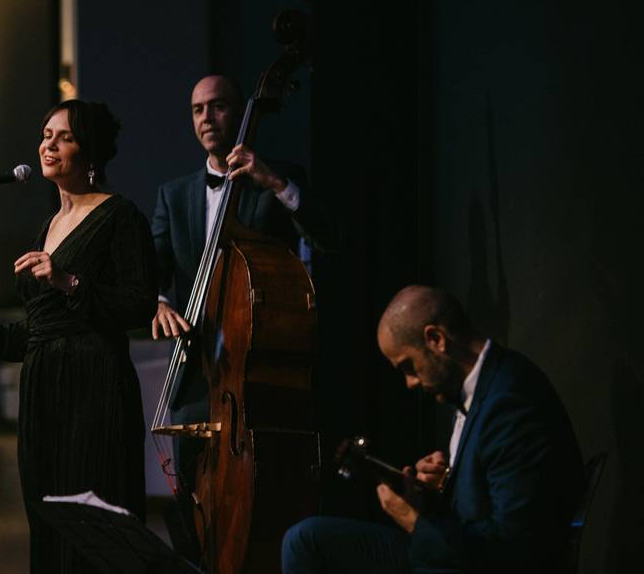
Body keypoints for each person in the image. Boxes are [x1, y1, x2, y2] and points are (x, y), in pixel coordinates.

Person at [0, 100, 158, 573]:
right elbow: (42, 330)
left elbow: (139, 305)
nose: (48, 144)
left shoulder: (120, 216)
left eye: (63, 136)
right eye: (46, 135)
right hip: (44, 390)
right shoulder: (50, 225)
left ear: (92, 152)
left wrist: (69, 282)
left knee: (96, 520)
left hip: (94, 387)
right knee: (50, 520)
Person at [281, 285, 584, 574]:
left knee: (304, 544)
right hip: (458, 553)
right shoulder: (481, 388)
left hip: (475, 564)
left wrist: (413, 520)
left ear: (436, 339)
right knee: (307, 541)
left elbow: (513, 551)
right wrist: (437, 493)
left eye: (409, 367)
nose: (410, 383)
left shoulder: (511, 404)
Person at [151, 74, 329, 554]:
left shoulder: (276, 176)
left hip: (257, 374)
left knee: (258, 500)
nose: (207, 118)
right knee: (193, 499)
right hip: (196, 372)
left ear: (239, 112)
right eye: (197, 110)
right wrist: (159, 302)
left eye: (218, 107)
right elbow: (150, 270)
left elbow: (327, 236)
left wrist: (273, 182)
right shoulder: (174, 194)